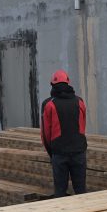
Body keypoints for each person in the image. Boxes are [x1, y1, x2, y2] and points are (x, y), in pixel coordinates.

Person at [40, 69, 87, 197]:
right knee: (81, 192)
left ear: (52, 84)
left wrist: (52, 153)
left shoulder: (48, 104)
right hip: (79, 153)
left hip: (59, 154)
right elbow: (82, 127)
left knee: (60, 193)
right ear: (68, 83)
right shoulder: (80, 102)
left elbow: (45, 135)